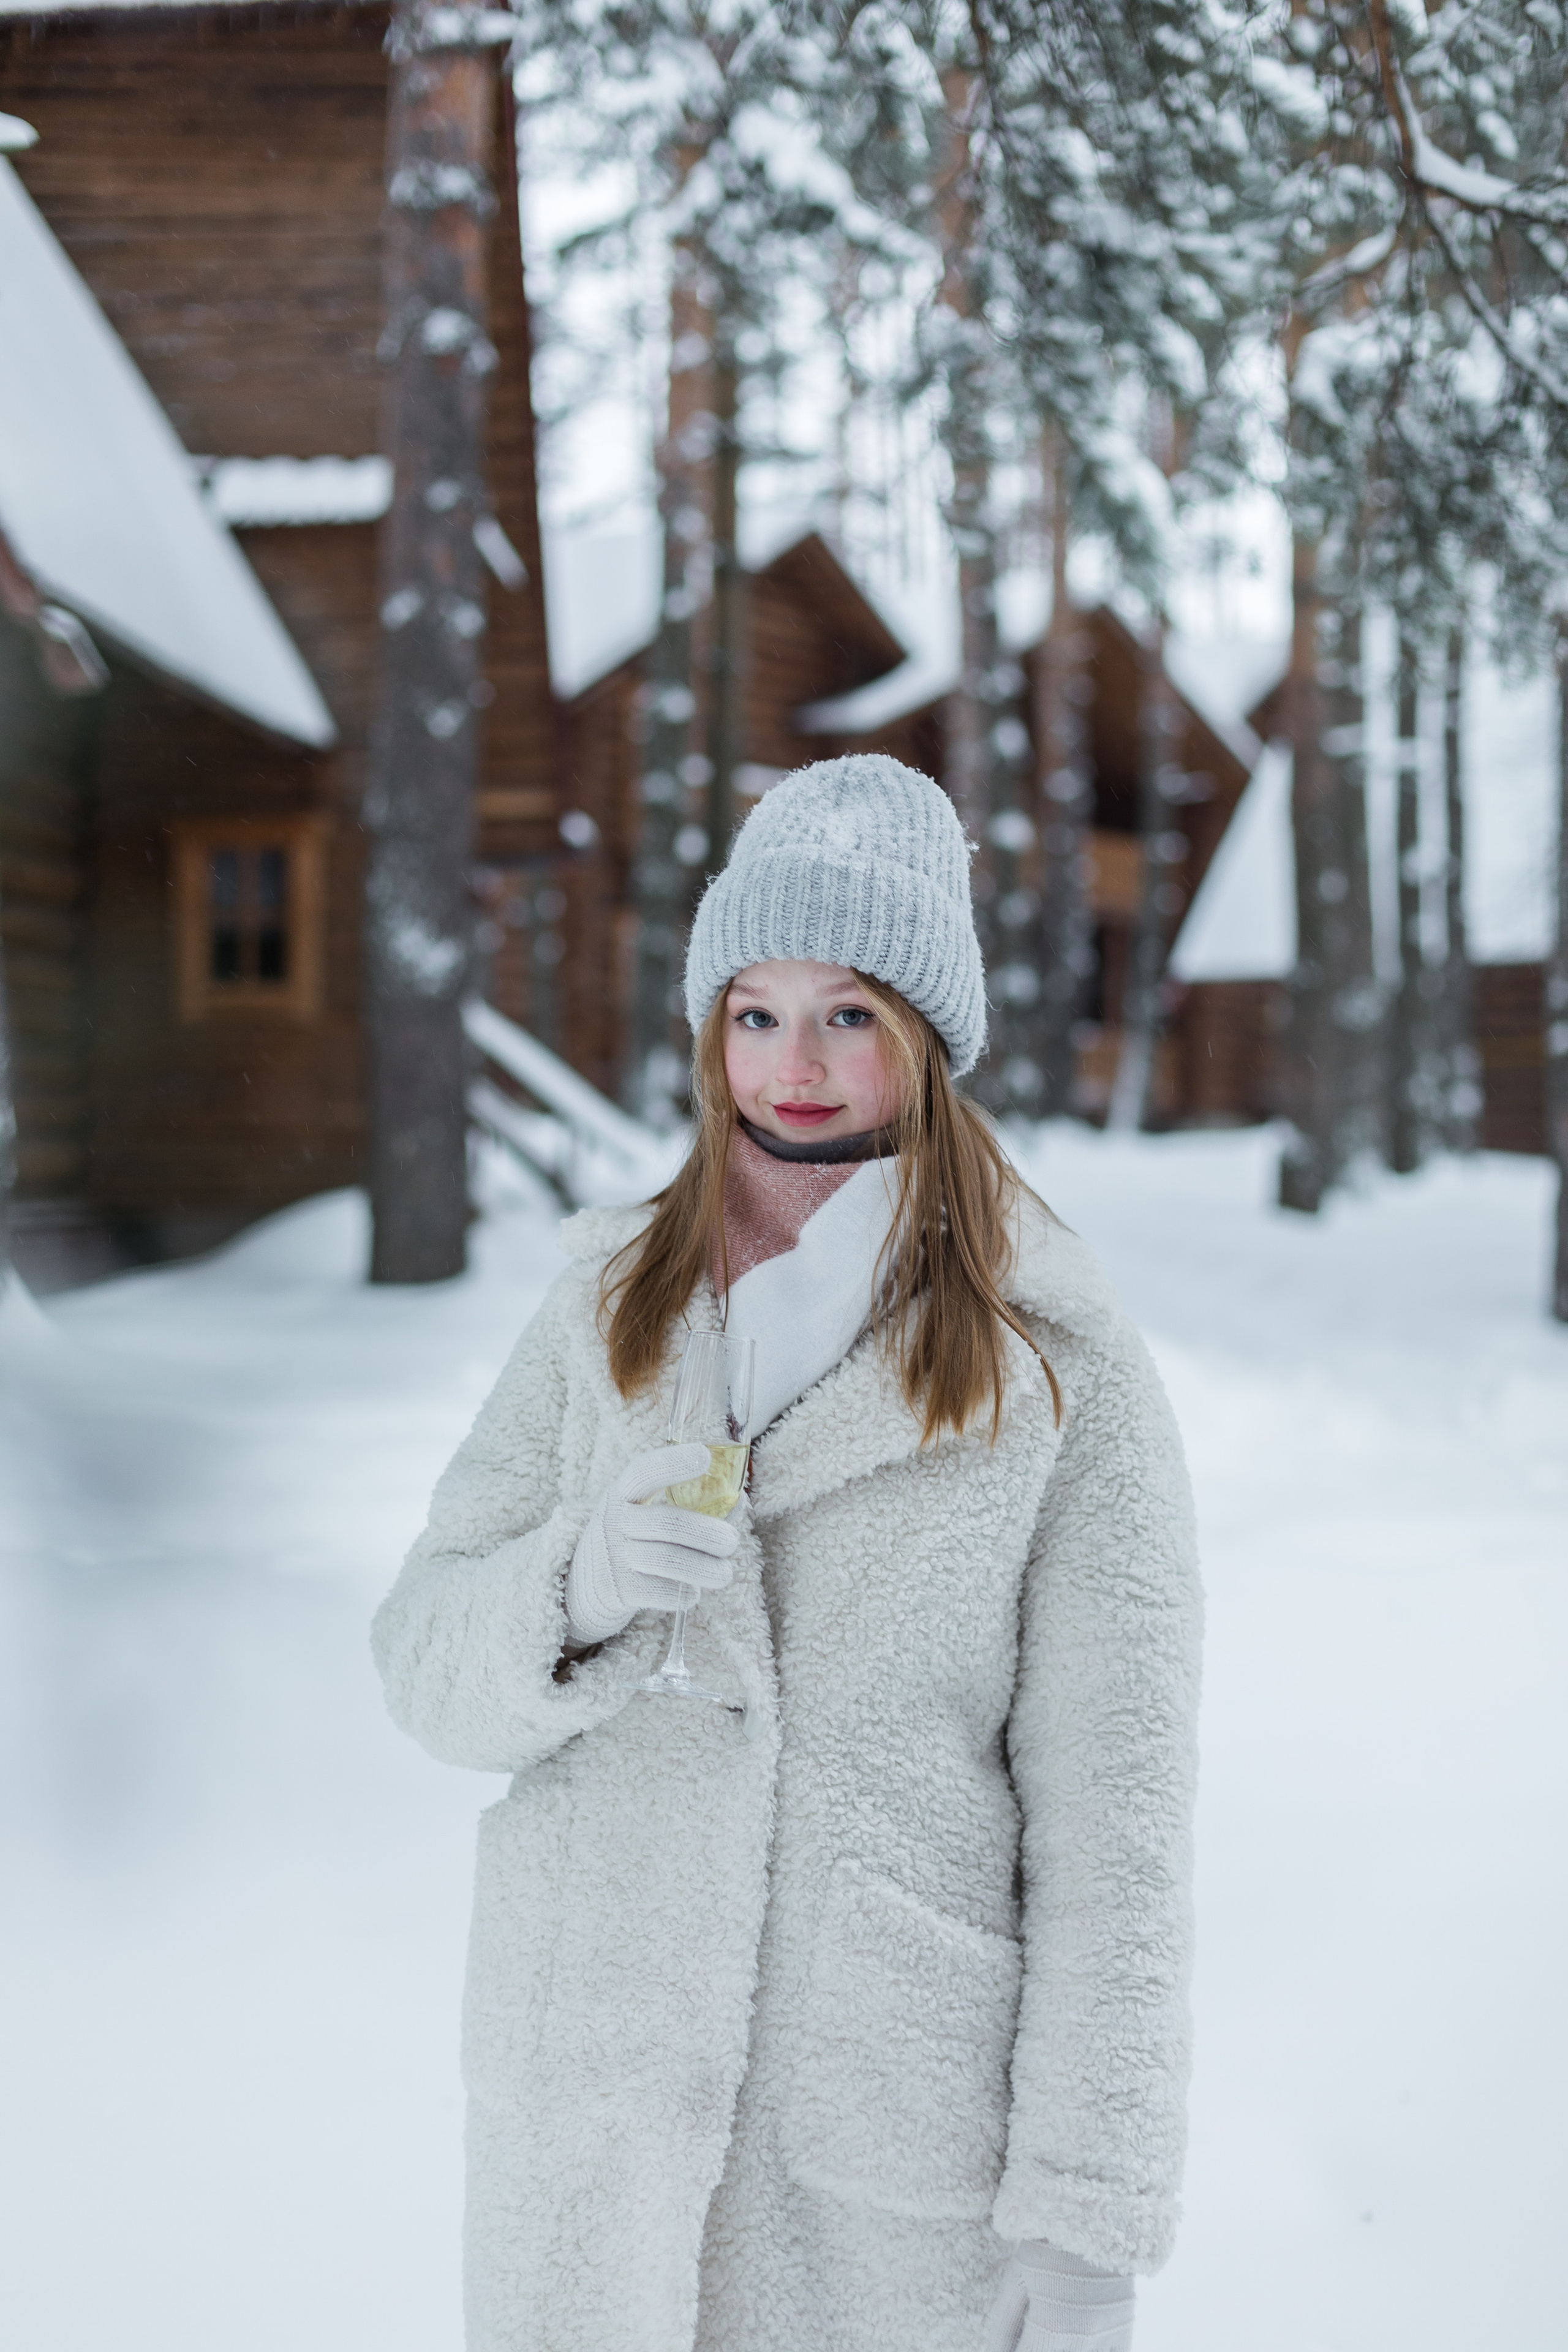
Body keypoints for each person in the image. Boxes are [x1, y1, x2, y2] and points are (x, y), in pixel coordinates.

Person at [372, 755, 1202, 2352]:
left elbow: (1120, 1836)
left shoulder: (1056, 1367)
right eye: (756, 1012)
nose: (796, 1063)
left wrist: (1087, 2215)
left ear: (927, 1035)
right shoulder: (605, 1306)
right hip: (589, 2127)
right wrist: (574, 1590)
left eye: (849, 1013)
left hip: (880, 2151)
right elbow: (424, 1661)